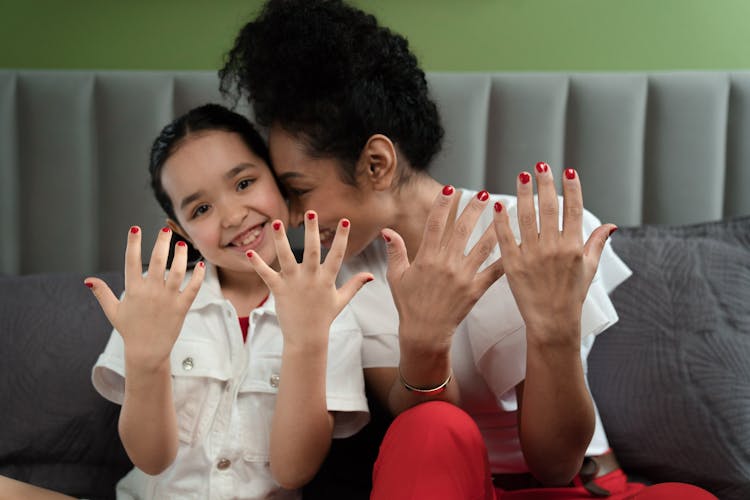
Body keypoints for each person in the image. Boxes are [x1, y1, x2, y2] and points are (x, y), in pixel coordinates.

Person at [219, 1, 717, 499]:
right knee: (428, 428)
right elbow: (431, 441)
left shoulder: (533, 234)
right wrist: (425, 341)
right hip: (463, 487)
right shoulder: (344, 280)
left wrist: (554, 333)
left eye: (299, 189)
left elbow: (555, 463)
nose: (287, 216)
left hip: (584, 486)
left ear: (376, 164)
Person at [0, 103, 372, 500]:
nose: (232, 216)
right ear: (183, 231)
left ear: (278, 182)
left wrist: (305, 343)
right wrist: (148, 362)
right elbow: (151, 459)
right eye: (202, 209)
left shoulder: (329, 308)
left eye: (244, 183)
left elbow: (293, 470)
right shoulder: (152, 300)